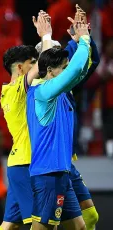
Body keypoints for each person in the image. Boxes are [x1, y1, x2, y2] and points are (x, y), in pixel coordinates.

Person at [34, 6, 100, 229]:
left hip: (62, 170)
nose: (67, 68)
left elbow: (80, 70)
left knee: (82, 226)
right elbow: (75, 71)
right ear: (50, 70)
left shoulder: (61, 91)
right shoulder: (43, 91)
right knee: (45, 227)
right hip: (49, 172)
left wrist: (86, 40)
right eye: (63, 66)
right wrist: (82, 42)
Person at [0, 12, 53, 230]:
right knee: (41, 225)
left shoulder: (8, 91)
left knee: (9, 225)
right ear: (20, 68)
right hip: (27, 164)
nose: (35, 67)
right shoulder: (19, 88)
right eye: (32, 63)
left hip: (19, 162)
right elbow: (45, 66)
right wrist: (45, 35)